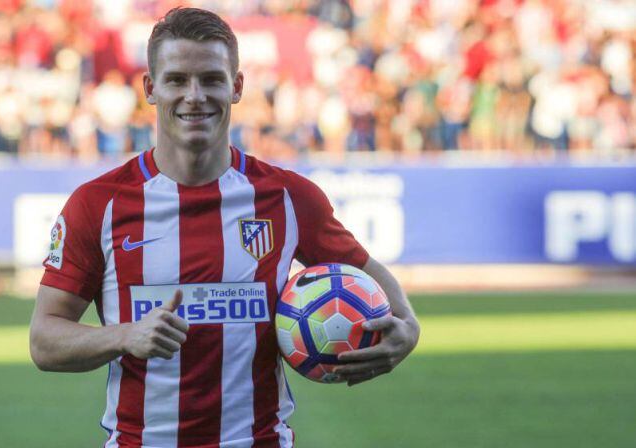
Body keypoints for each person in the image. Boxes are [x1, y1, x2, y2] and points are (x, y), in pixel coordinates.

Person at [29, 7, 420, 448]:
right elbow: (45, 340)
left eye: (211, 79)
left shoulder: (289, 198)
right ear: (150, 88)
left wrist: (407, 331)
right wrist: (125, 335)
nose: (194, 95)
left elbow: (385, 295)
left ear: (236, 87)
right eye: (177, 79)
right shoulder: (98, 203)